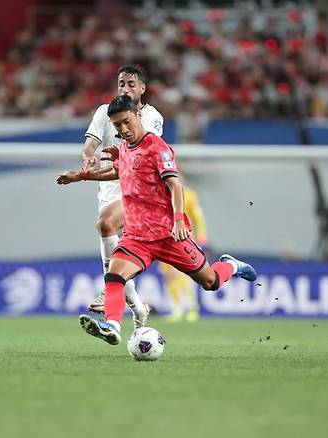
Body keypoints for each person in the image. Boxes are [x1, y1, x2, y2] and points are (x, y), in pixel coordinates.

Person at [57, 95, 256, 345]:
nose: (123, 130)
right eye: (117, 125)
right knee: (115, 276)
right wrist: (81, 176)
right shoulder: (124, 149)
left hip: (169, 235)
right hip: (137, 236)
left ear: (138, 115)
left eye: (126, 122)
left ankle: (232, 266)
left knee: (211, 282)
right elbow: (117, 171)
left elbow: (175, 186)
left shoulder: (157, 147)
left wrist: (179, 220)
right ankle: (113, 326)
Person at [80, 64, 163, 329]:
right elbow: (91, 141)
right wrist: (88, 154)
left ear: (142, 89)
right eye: (120, 84)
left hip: (137, 192)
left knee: (105, 225)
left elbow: (142, 157)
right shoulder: (105, 113)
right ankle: (139, 311)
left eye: (130, 84)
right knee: (120, 256)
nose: (125, 88)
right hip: (108, 191)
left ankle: (108, 287)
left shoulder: (151, 117)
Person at [158, 182, 207, 322]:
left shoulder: (190, 195)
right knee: (169, 274)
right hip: (164, 238)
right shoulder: (159, 193)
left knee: (182, 273)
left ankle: (192, 307)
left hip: (183, 236)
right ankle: (177, 309)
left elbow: (198, 216)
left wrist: (202, 236)